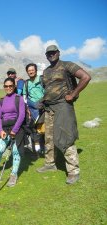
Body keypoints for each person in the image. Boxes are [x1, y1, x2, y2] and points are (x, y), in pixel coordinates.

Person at [36, 45, 91, 185]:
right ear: (46, 56)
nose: (51, 55)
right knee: (49, 138)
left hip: (63, 106)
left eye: (53, 52)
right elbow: (48, 89)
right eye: (48, 54)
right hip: (49, 108)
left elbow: (86, 77)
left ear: (58, 53)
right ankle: (50, 164)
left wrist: (73, 93)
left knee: (65, 137)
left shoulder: (67, 65)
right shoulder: (46, 71)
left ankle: (73, 171)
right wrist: (43, 100)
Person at [0, 78, 27, 187]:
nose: (8, 88)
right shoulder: (2, 100)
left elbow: (22, 115)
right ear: (4, 87)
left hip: (17, 128)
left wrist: (15, 130)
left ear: (14, 86)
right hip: (4, 129)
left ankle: (13, 174)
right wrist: (0, 130)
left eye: (11, 86)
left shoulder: (19, 98)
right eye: (6, 86)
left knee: (16, 152)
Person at [23, 63, 45, 153]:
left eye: (32, 70)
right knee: (34, 128)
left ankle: (45, 148)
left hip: (43, 107)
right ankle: (36, 150)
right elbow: (24, 95)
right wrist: (27, 106)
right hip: (31, 108)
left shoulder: (41, 79)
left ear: (36, 70)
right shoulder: (27, 83)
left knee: (44, 128)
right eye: (29, 70)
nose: (31, 72)